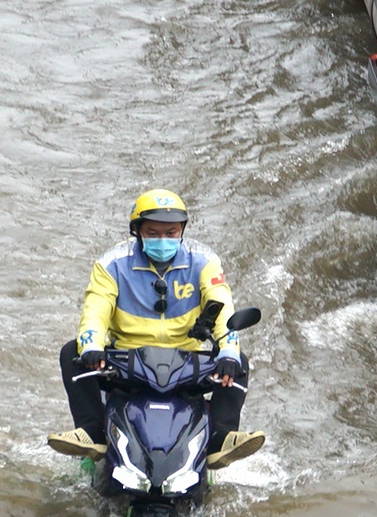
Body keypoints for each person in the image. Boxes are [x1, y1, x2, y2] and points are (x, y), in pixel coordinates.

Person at [51, 188, 262, 466]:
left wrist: (229, 352)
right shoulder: (112, 264)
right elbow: (95, 310)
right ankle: (92, 433)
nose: (163, 240)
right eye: (153, 233)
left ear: (182, 230)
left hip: (186, 362)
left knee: (240, 362)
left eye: (171, 233)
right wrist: (91, 347)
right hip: (126, 361)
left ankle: (220, 439)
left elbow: (222, 304)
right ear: (137, 231)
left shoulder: (204, 262)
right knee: (71, 352)